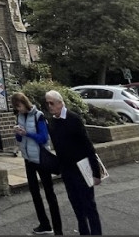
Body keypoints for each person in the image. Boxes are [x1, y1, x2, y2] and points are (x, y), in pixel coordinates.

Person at [45, 89, 102, 235]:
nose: (49, 106)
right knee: (76, 205)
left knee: (89, 205)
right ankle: (84, 232)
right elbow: (59, 149)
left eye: (52, 103)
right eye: (47, 103)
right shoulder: (53, 122)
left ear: (60, 103)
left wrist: (96, 172)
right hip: (67, 171)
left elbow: (87, 145)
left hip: (82, 169)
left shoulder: (73, 119)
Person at [12, 91, 63, 235]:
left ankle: (58, 229)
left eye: (19, 106)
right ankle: (44, 224)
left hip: (41, 158)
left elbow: (43, 138)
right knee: (35, 193)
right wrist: (18, 132)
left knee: (49, 193)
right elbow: (21, 140)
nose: (19, 109)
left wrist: (26, 133)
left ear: (25, 103)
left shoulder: (38, 116)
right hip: (28, 158)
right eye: (16, 107)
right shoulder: (19, 116)